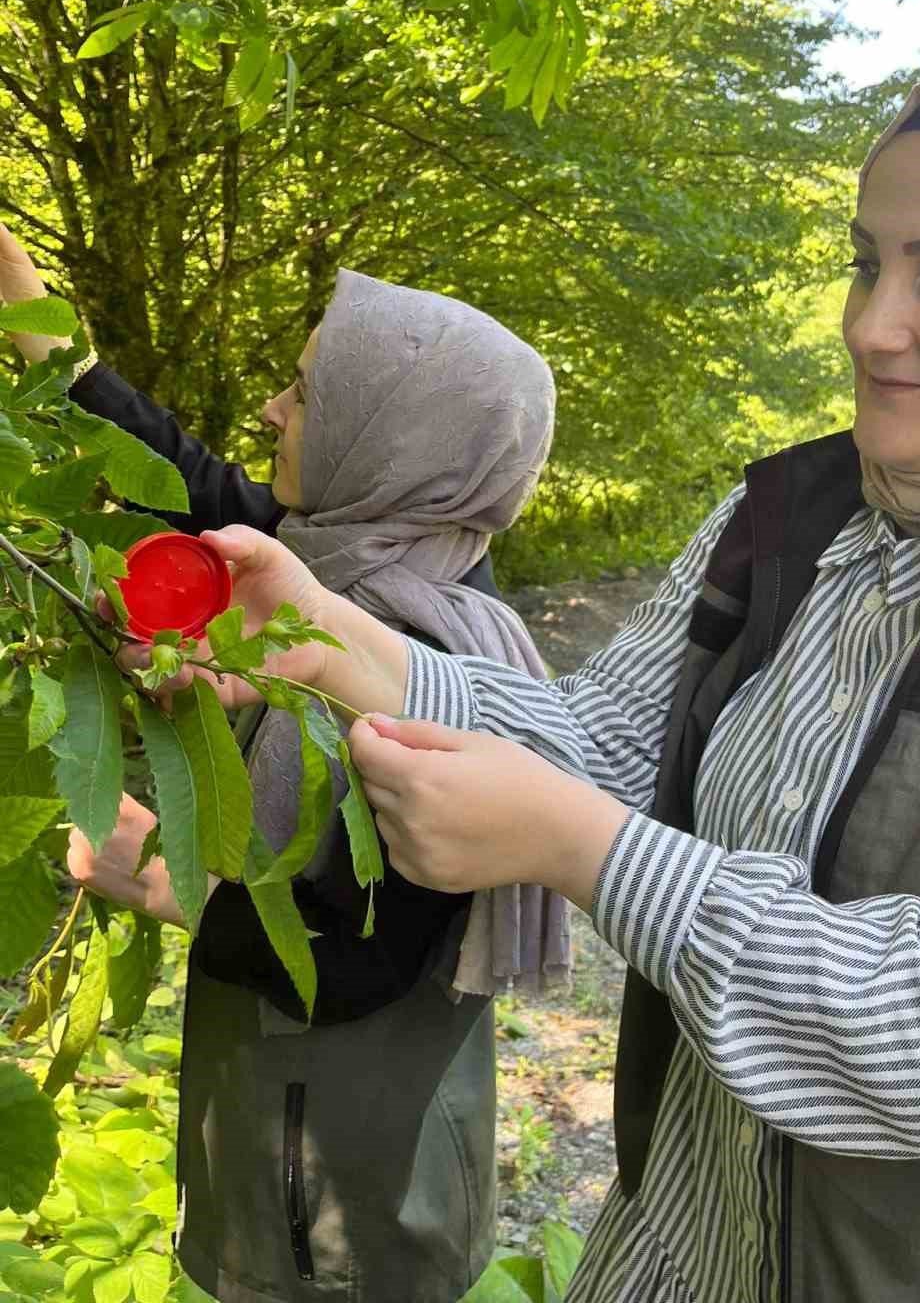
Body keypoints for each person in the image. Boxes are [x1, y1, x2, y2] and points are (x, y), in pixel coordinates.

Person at [129, 49, 920, 1302]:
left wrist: (590, 854)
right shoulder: (786, 517)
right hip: (687, 1242)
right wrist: (332, 642)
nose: (870, 326)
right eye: (865, 261)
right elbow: (608, 748)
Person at [0, 237, 563, 1303]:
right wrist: (29, 309)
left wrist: (168, 880)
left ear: (385, 440)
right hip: (290, 1138)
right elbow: (179, 477)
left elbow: (363, 960)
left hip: (345, 1193)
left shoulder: (425, 663)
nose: (268, 410)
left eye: (302, 394)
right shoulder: (356, 558)